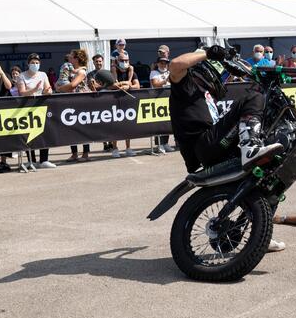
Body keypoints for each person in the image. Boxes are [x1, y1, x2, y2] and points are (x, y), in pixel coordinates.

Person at [169, 44, 286, 251]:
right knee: (253, 96)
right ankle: (250, 148)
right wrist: (206, 53)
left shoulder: (207, 97)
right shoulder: (185, 84)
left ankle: (259, 235)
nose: (222, 81)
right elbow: (176, 64)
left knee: (271, 178)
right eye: (220, 76)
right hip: (204, 146)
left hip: (215, 148)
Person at [17, 53, 55, 170]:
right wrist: (34, 89)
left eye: (37, 63)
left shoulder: (43, 75)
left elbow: (48, 89)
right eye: (33, 63)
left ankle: (44, 160)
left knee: (44, 133)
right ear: (28, 63)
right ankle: (31, 160)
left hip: (41, 107)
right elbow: (22, 92)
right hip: (27, 108)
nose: (35, 64)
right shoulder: (21, 76)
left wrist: (48, 91)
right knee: (30, 135)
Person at [57, 49, 92, 162]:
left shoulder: (82, 71)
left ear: (77, 58)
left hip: (82, 102)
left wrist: (59, 89)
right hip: (71, 101)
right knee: (71, 127)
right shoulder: (71, 69)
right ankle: (74, 154)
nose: (69, 58)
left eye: (71, 57)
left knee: (83, 128)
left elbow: (73, 85)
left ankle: (85, 153)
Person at [110, 52, 141, 157]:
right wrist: (122, 84)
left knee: (128, 125)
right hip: (115, 102)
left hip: (128, 102)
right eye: (122, 60)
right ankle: (114, 148)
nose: (124, 62)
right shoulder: (113, 71)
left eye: (126, 60)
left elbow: (137, 86)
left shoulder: (132, 71)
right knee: (115, 126)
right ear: (117, 61)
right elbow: (111, 85)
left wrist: (129, 86)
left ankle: (128, 148)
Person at [149, 56, 174, 154]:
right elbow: (155, 84)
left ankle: (166, 143)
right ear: (158, 63)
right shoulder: (154, 73)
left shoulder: (169, 72)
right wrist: (166, 80)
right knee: (159, 123)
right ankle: (159, 144)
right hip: (158, 100)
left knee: (168, 122)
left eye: (166, 63)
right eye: (162, 62)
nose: (164, 64)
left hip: (169, 99)